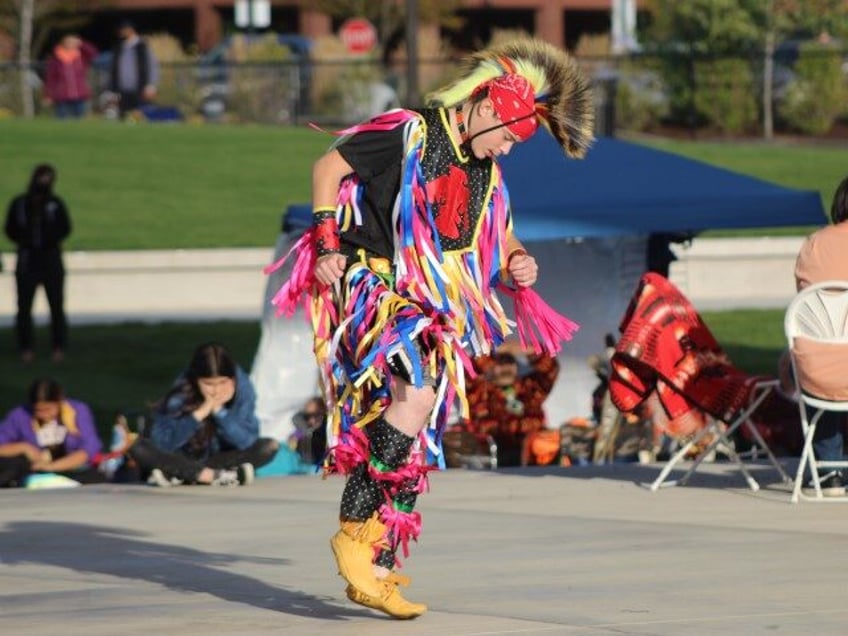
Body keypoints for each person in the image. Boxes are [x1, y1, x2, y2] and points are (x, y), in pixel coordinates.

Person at [267, 37, 593, 618]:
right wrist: (323, 243)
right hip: (373, 280)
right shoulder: (410, 131)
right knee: (415, 393)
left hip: (424, 299)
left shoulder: (485, 173)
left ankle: (380, 565)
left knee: (419, 426)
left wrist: (516, 261)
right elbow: (328, 164)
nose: (509, 150)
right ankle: (355, 533)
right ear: (487, 108)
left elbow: (497, 236)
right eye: (509, 138)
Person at [128, 342, 279, 487]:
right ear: (196, 380)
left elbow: (247, 441)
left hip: (218, 457)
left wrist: (221, 413)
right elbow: (164, 443)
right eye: (208, 384)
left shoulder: (243, 388)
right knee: (139, 448)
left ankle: (184, 474)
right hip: (182, 456)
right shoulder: (182, 390)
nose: (216, 391)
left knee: (268, 446)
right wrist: (198, 415)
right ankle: (211, 476)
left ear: (232, 379)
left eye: (222, 383)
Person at [793, 174, 848, 497]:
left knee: (813, 353)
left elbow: (805, 309)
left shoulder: (813, 244)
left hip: (816, 372)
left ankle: (829, 473)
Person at [4, 164, 71, 363]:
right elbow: (10, 228)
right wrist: (25, 241)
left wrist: (50, 240)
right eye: (42, 177)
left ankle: (58, 347)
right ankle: (26, 347)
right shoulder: (20, 204)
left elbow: (65, 227)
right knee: (24, 306)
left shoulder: (55, 204)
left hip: (50, 258)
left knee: (56, 305)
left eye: (48, 178)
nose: (44, 182)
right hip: (28, 259)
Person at [464, 339, 560, 467]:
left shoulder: (529, 388)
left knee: (547, 441)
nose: (506, 368)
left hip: (531, 457)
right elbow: (469, 372)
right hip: (490, 455)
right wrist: (492, 351)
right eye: (500, 363)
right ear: (491, 366)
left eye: (510, 362)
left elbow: (550, 370)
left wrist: (529, 350)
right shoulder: (480, 391)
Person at [0, 378, 105, 487]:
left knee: (96, 477)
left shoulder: (77, 411)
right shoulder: (21, 415)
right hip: (35, 470)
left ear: (59, 401)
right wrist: (23, 447)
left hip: (71, 469)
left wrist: (52, 466)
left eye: (48, 409)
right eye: (38, 410)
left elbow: (89, 449)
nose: (44, 415)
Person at [109, 20, 159, 118]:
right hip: (122, 89)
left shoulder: (142, 46)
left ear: (130, 30)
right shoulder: (119, 47)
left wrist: (151, 85)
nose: (121, 33)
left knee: (140, 116)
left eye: (123, 30)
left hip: (140, 88)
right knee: (123, 116)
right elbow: (114, 68)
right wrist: (113, 89)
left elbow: (152, 66)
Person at [43, 34, 98, 119]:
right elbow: (50, 79)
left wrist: (82, 44)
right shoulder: (56, 60)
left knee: (79, 120)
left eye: (72, 42)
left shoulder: (81, 57)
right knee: (61, 120)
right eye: (68, 42)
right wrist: (48, 95)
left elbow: (93, 53)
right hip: (61, 95)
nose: (70, 44)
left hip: (79, 94)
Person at [289, 396, 328, 466]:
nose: (312, 419)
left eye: (316, 415)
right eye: (308, 416)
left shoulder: (327, 429)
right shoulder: (302, 430)